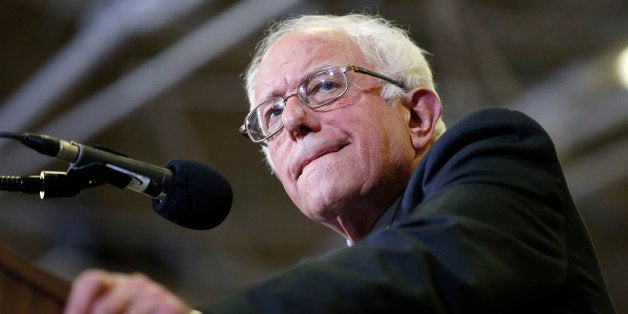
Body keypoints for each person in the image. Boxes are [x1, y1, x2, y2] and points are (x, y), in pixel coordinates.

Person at [63, 13, 615, 313]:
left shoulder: (494, 152)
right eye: (271, 113)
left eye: (324, 86)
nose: (295, 121)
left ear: (418, 117)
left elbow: (430, 269)